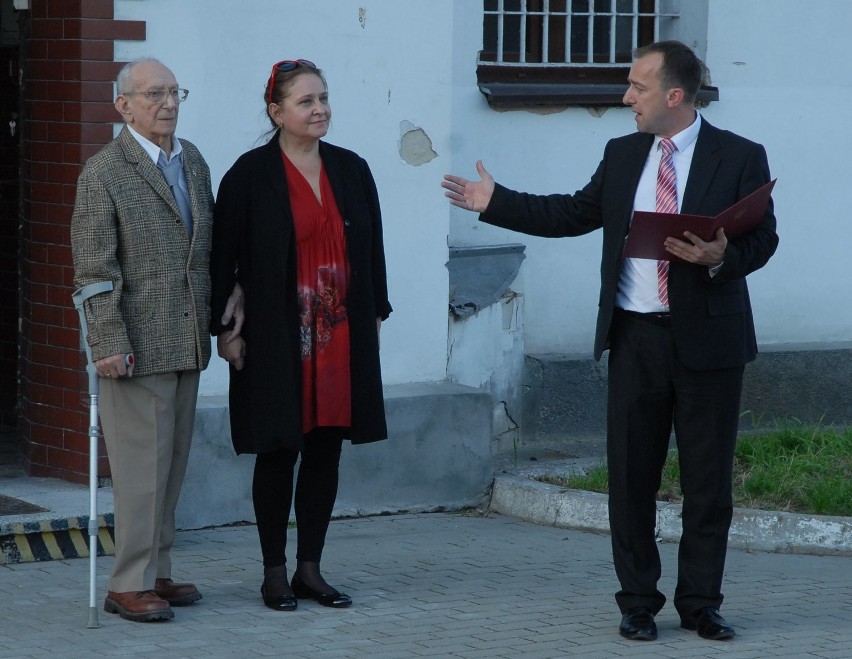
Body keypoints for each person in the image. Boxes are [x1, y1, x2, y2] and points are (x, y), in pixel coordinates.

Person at [443, 41, 778, 641]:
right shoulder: (623, 154)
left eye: (637, 88)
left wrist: (723, 256)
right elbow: (573, 213)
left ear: (674, 96)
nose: (626, 97)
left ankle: (701, 603)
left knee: (707, 484)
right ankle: (638, 603)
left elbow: (763, 240)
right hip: (636, 339)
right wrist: (495, 203)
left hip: (709, 345)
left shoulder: (739, 157)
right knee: (630, 480)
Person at [210, 59, 392, 612]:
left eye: (324, 99)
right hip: (275, 337)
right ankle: (273, 571)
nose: (320, 110)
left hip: (337, 335)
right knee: (277, 449)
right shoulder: (248, 174)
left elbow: (372, 249)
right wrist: (225, 329)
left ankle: (311, 568)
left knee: (325, 451)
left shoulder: (352, 168)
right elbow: (224, 259)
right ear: (277, 112)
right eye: (306, 102)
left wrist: (374, 318)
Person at [71, 58, 243, 622]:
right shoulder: (104, 172)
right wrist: (106, 342)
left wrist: (221, 317)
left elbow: (207, 245)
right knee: (140, 471)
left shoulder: (190, 158)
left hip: (187, 335)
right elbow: (95, 269)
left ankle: (156, 572)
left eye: (174, 92)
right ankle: (127, 583)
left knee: (169, 466)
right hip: (134, 345)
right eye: (153, 94)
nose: (167, 103)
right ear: (124, 106)